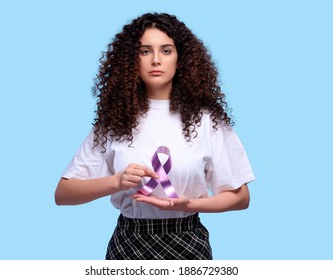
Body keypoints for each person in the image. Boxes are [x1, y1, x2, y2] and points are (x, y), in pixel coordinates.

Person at [54, 12, 255, 260]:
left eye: (166, 50)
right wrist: (117, 182)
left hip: (189, 242)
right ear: (132, 60)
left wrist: (188, 205)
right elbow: (63, 194)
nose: (156, 60)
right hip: (129, 244)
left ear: (180, 59)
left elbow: (241, 197)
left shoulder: (208, 121)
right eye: (145, 51)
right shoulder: (114, 121)